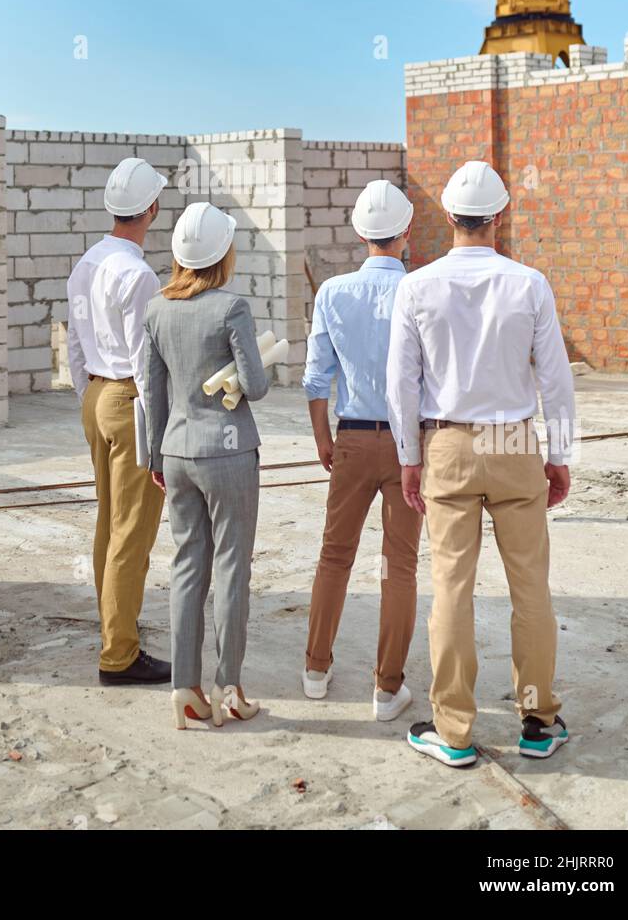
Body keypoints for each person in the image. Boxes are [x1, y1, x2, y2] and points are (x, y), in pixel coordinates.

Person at [386, 160, 574, 768]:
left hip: (448, 444)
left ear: (447, 216)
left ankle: (455, 729)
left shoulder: (416, 286)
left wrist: (410, 457)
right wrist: (560, 454)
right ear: (501, 215)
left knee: (452, 590)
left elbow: (401, 385)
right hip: (516, 442)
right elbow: (556, 379)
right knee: (530, 589)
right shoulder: (529, 283)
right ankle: (538, 721)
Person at [143, 201, 270, 730]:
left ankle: (185, 690)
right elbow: (257, 386)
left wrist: (154, 455)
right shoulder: (230, 308)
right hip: (228, 452)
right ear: (224, 252)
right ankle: (230, 688)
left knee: (187, 567)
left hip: (175, 453)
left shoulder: (156, 309)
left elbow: (154, 393)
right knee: (232, 567)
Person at [301, 180, 423, 721]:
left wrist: (323, 437)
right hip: (406, 446)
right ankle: (386, 689)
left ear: (358, 232)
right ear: (406, 232)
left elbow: (315, 377)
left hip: (349, 436)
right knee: (399, 566)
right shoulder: (421, 291)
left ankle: (315, 671)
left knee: (334, 556)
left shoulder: (332, 292)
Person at [67, 157, 170, 686]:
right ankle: (120, 654)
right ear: (151, 208)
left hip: (97, 397)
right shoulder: (140, 275)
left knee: (109, 522)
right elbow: (145, 362)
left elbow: (72, 343)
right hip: (130, 401)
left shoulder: (86, 264)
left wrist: (91, 398)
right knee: (133, 532)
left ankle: (115, 629)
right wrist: (159, 437)